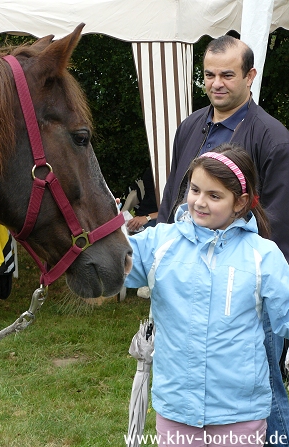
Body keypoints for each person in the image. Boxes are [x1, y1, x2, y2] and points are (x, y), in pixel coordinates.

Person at [157, 35, 289, 446]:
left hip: (246, 290)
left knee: (264, 390)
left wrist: (262, 287)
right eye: (210, 75)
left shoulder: (274, 138)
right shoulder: (190, 126)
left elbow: (280, 224)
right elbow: (173, 198)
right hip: (187, 284)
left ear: (250, 76)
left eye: (227, 75)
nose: (217, 83)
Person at [125, 143, 289, 447]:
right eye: (195, 189)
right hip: (176, 411)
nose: (199, 202)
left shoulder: (262, 255)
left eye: (214, 196)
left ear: (239, 202)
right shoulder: (160, 242)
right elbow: (110, 262)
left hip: (240, 416)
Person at [123, 167, 158, 233]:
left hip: (161, 221)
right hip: (146, 217)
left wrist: (147, 218)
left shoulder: (180, 175)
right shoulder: (152, 173)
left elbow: (172, 211)